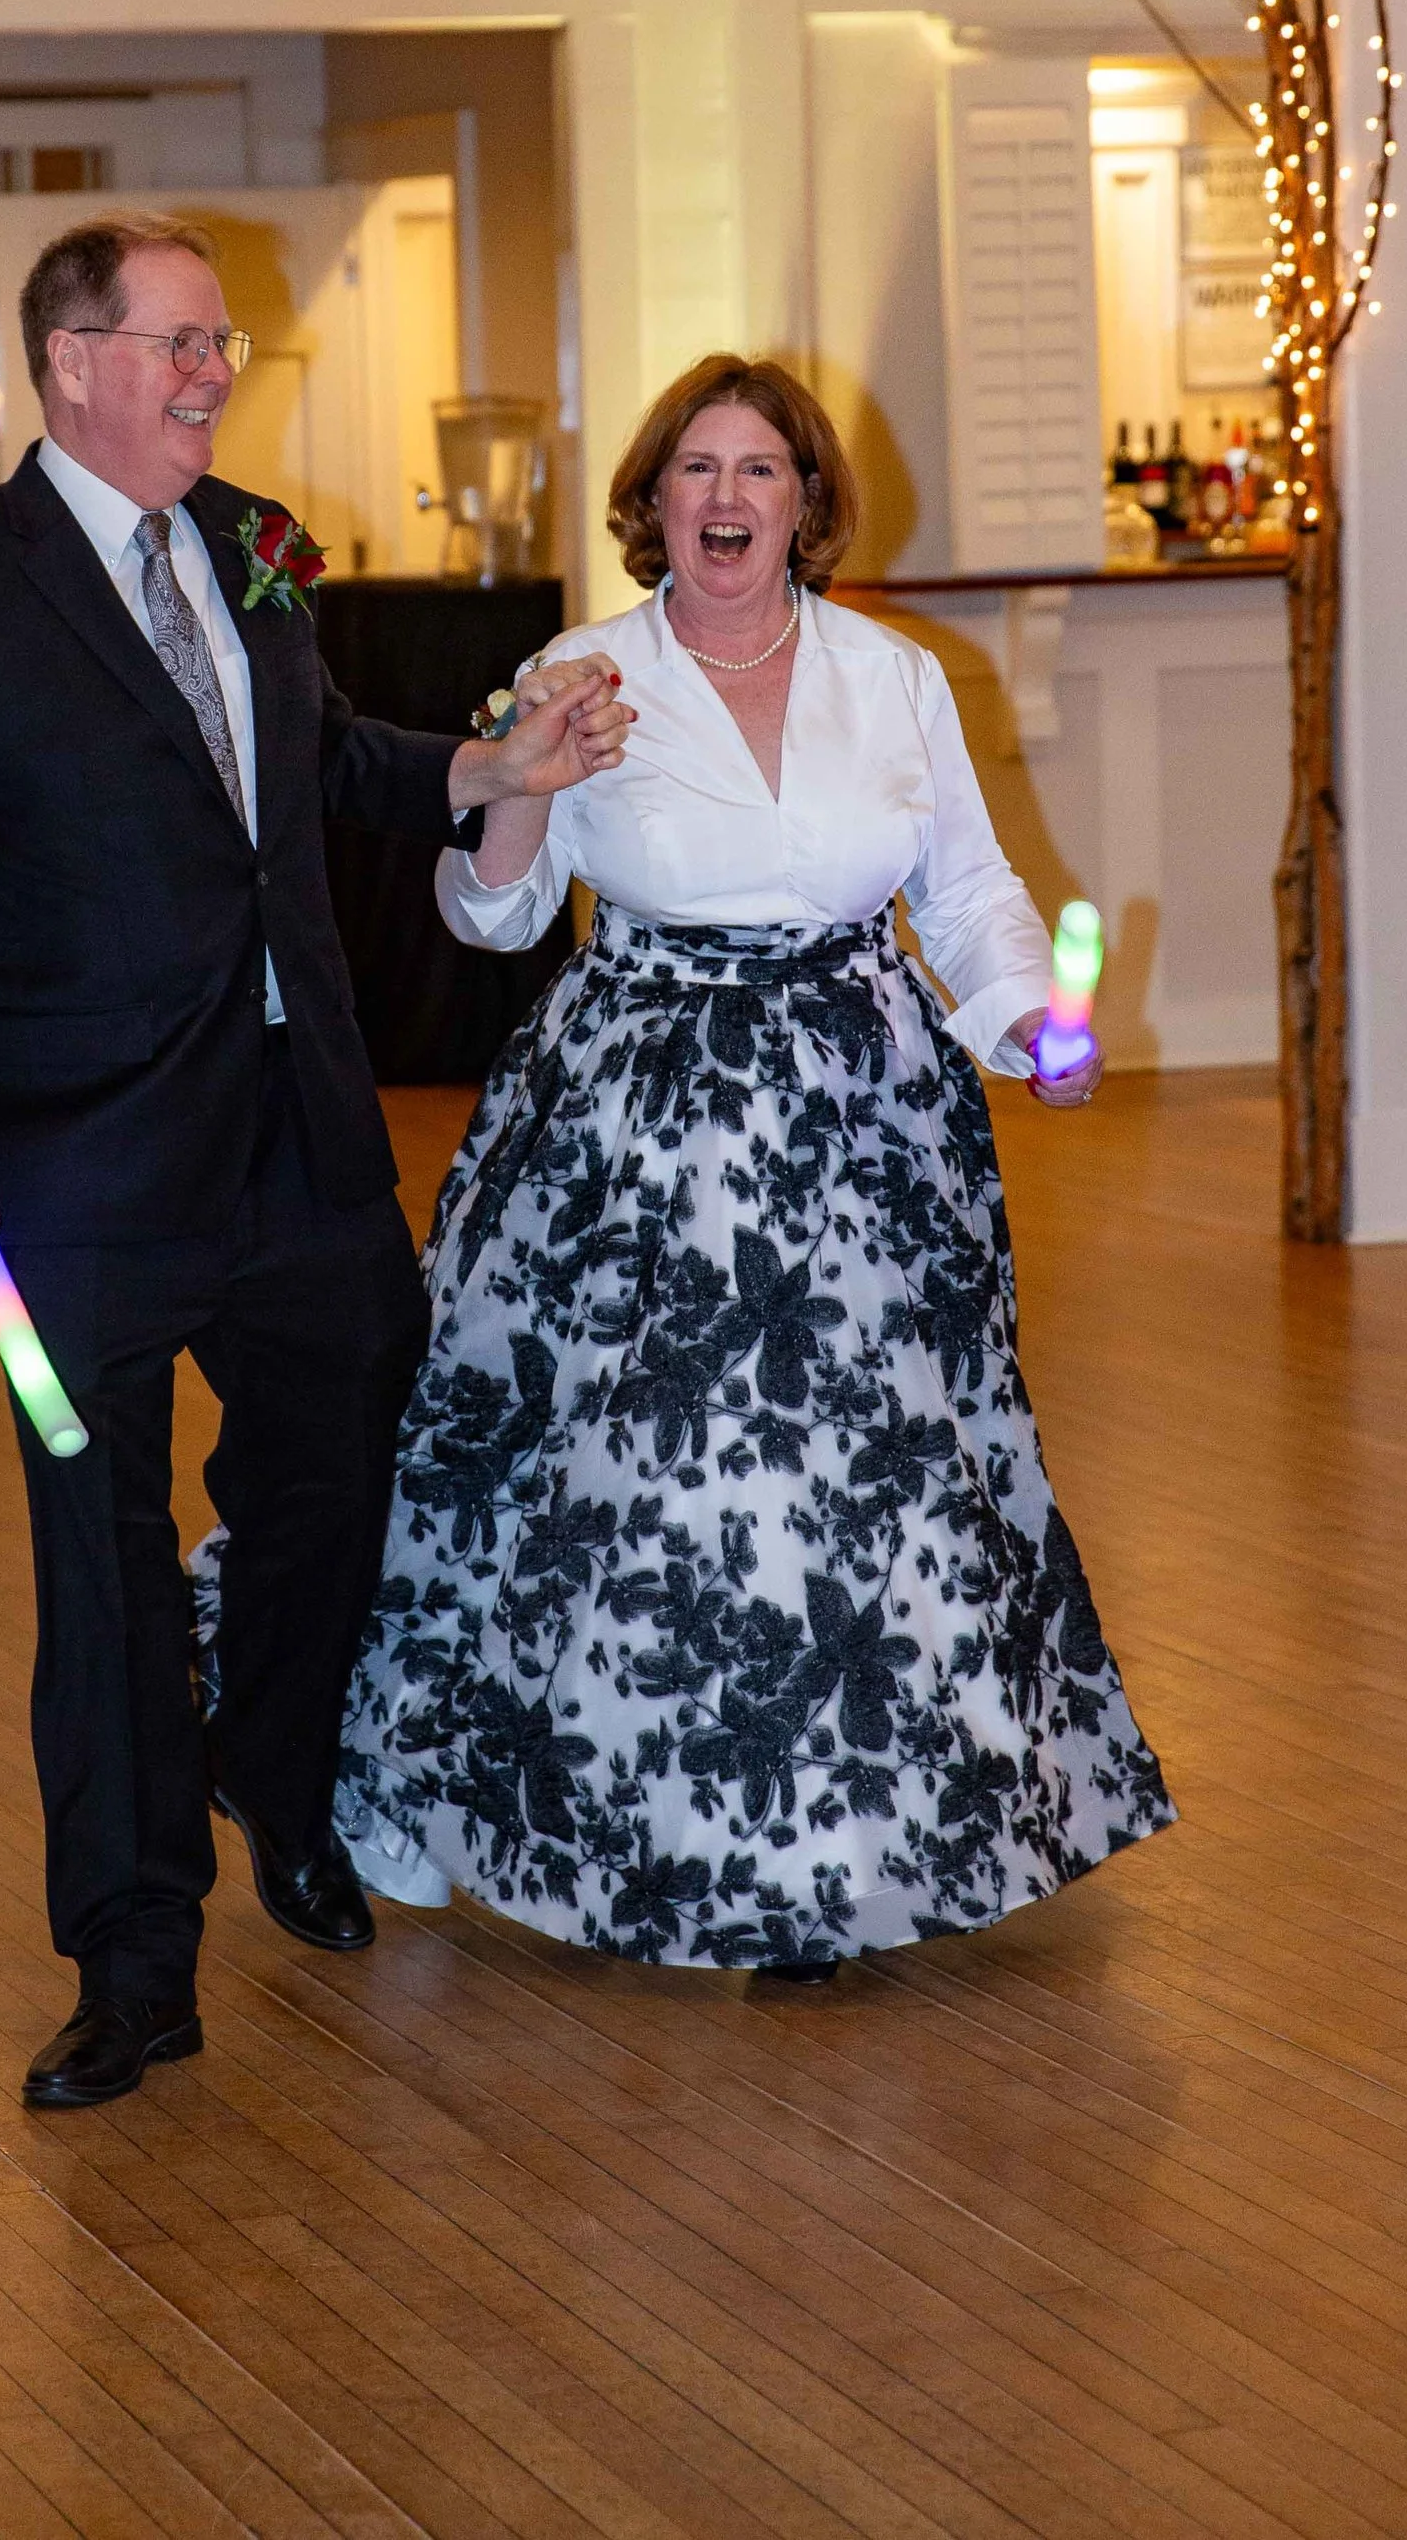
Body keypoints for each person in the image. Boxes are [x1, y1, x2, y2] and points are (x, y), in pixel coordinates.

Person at [0, 211, 628, 2110]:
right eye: (182, 344)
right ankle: (131, 1955)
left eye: (221, 345)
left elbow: (325, 760)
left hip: (301, 1136)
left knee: (338, 1477)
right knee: (97, 1565)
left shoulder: (255, 551)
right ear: (76, 360)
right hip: (74, 1178)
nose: (213, 374)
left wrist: (491, 769)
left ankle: (277, 1774)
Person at [339, 354, 1173, 1978]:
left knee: (860, 1489)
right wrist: (521, 785)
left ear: (806, 504)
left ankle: (825, 1861)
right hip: (630, 1127)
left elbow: (977, 892)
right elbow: (493, 916)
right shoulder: (581, 670)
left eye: (761, 469)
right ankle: (543, 1819)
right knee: (621, 1489)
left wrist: (1029, 1030)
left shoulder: (892, 675)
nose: (726, 497)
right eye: (696, 469)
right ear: (652, 504)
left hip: (862, 1128)